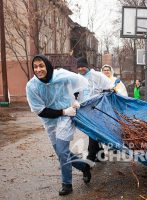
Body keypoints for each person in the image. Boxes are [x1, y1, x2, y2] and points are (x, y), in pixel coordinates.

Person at [26, 55, 92, 196]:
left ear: (48, 66)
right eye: (35, 67)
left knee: (62, 151)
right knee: (62, 153)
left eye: (41, 66)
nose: (38, 69)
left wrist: (77, 100)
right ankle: (84, 165)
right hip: (50, 119)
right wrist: (62, 111)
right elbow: (41, 111)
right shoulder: (32, 86)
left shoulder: (62, 76)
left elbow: (82, 84)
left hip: (66, 118)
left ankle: (66, 184)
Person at [76, 57, 113, 163]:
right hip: (83, 109)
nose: (81, 69)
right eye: (79, 67)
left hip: (97, 108)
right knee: (91, 131)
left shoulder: (97, 75)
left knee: (92, 130)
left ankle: (90, 156)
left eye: (83, 66)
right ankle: (99, 152)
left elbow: (109, 87)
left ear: (87, 66)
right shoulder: (77, 78)